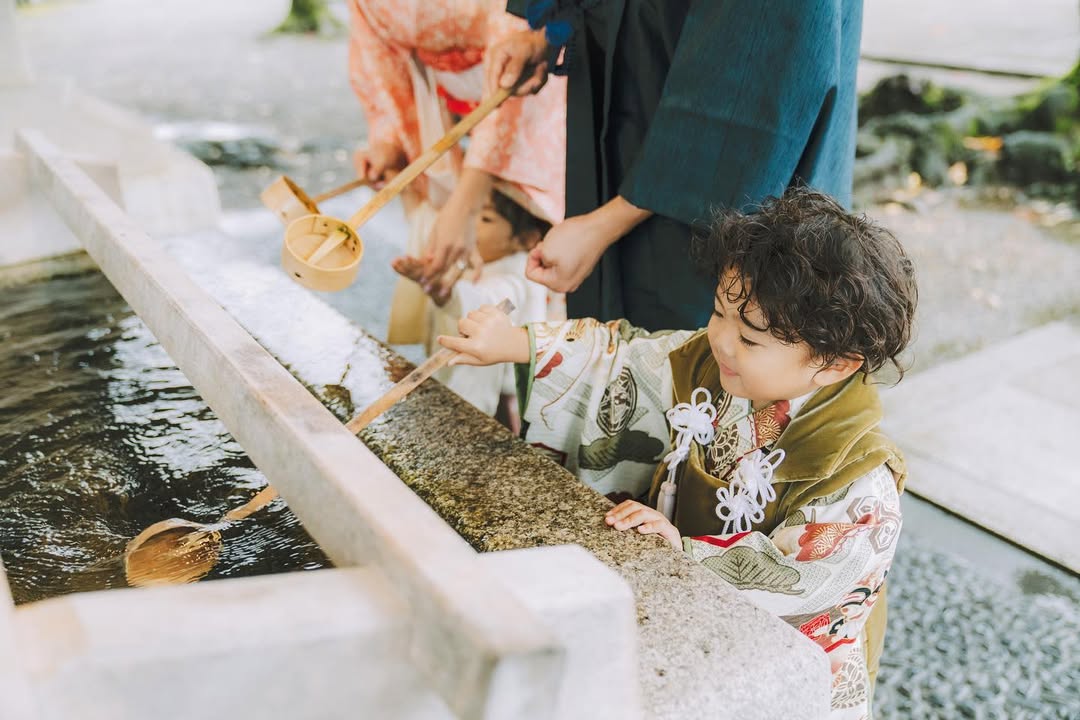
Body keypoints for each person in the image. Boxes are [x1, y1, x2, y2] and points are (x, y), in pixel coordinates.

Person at [437, 189, 918, 719]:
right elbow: (624, 358)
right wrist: (514, 344)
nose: (721, 341)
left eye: (752, 339)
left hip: (771, 663)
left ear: (835, 364)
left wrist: (687, 555)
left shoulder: (858, 483)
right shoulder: (711, 363)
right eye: (718, 312)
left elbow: (801, 581)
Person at [487, 0, 864, 331]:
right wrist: (555, 26)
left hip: (716, 172)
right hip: (635, 93)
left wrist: (606, 222)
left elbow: (754, 63)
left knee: (693, 351)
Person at [347, 0, 565, 342]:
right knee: (446, 240)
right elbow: (378, 57)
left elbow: (520, 33)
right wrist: (390, 137)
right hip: (438, 108)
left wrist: (469, 200)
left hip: (525, 92)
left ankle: (536, 358)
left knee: (519, 246)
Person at [392, 187, 551, 429]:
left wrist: (444, 292)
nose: (471, 225)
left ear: (525, 239)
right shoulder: (488, 259)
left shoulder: (518, 279)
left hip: (493, 401)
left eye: (485, 218)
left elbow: (488, 303)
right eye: (473, 214)